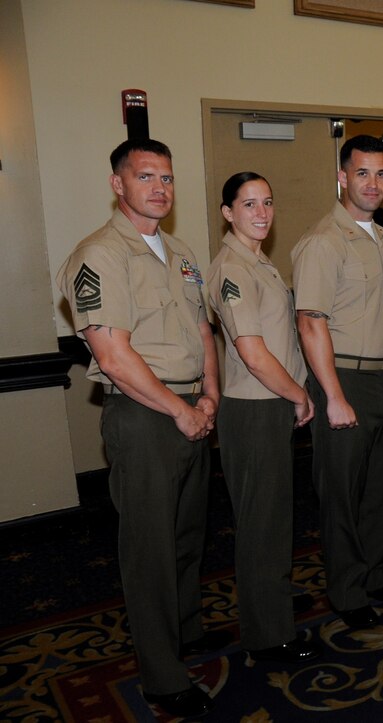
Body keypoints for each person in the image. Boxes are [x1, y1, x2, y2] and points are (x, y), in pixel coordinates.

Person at [55, 139, 222, 718]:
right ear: (117, 184)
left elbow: (203, 330)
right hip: (146, 414)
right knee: (150, 549)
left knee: (187, 534)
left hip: (192, 405)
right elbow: (114, 356)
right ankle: (161, 673)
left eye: (167, 178)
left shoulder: (179, 252)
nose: (159, 188)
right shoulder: (99, 255)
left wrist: (210, 394)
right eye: (145, 176)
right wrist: (180, 410)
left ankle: (186, 630)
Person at [292, 134, 383, 630]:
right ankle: (346, 590)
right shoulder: (324, 241)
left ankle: (371, 573)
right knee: (342, 491)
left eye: (380, 174)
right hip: (343, 379)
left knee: (379, 488)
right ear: (342, 177)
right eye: (362, 173)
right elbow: (309, 321)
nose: (372, 183)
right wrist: (334, 396)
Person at [206, 172, 322, 663]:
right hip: (256, 407)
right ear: (227, 212)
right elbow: (253, 354)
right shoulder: (233, 268)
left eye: (267, 202)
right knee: (262, 525)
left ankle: (269, 601)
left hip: (269, 404)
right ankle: (268, 636)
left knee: (273, 518)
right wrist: (299, 395)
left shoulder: (258, 262)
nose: (261, 213)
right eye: (249, 204)